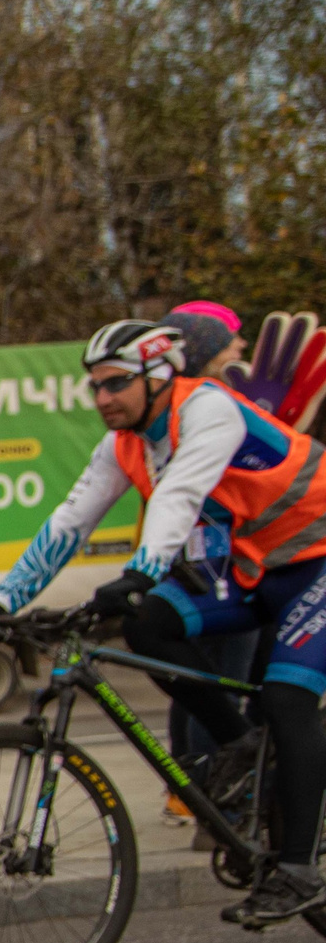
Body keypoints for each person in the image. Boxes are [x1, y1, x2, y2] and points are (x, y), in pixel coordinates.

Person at [0, 320, 326, 926]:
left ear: (159, 376)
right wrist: (3, 598)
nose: (104, 398)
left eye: (117, 384)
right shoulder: (124, 443)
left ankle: (297, 870)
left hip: (316, 559)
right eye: (96, 387)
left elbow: (179, 494)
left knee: (288, 699)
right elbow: (69, 521)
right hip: (255, 568)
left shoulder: (209, 408)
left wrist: (139, 572)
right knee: (150, 626)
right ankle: (241, 745)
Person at [155, 305, 260, 797]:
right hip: (222, 563)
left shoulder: (182, 408)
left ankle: (194, 791)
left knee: (201, 683)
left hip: (207, 558)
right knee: (219, 686)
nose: (239, 347)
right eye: (229, 341)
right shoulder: (206, 409)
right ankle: (211, 796)